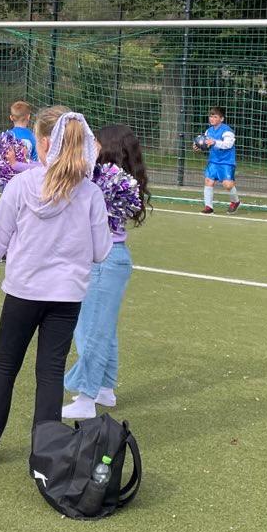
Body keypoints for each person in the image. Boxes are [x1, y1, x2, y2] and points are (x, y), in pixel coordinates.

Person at [0, 107, 112, 465]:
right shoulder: (91, 193)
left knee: (4, 368)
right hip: (67, 297)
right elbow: (102, 252)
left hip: (24, 292)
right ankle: (46, 458)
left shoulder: (21, 185)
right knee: (51, 374)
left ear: (43, 142)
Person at [62, 124, 151, 419]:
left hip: (103, 261)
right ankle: (105, 390)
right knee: (104, 329)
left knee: (91, 330)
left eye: (96, 143)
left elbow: (59, 177)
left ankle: (86, 398)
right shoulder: (122, 180)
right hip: (114, 260)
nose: (92, 147)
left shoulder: (103, 181)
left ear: (108, 148)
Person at [196, 105, 239, 213]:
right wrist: (198, 147)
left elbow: (227, 145)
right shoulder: (208, 131)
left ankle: (235, 201)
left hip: (226, 162)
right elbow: (205, 144)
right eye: (211, 117)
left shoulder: (227, 131)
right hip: (213, 161)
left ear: (221, 119)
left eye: (215, 117)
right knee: (209, 181)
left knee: (228, 185)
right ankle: (209, 207)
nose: (212, 119)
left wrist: (214, 142)